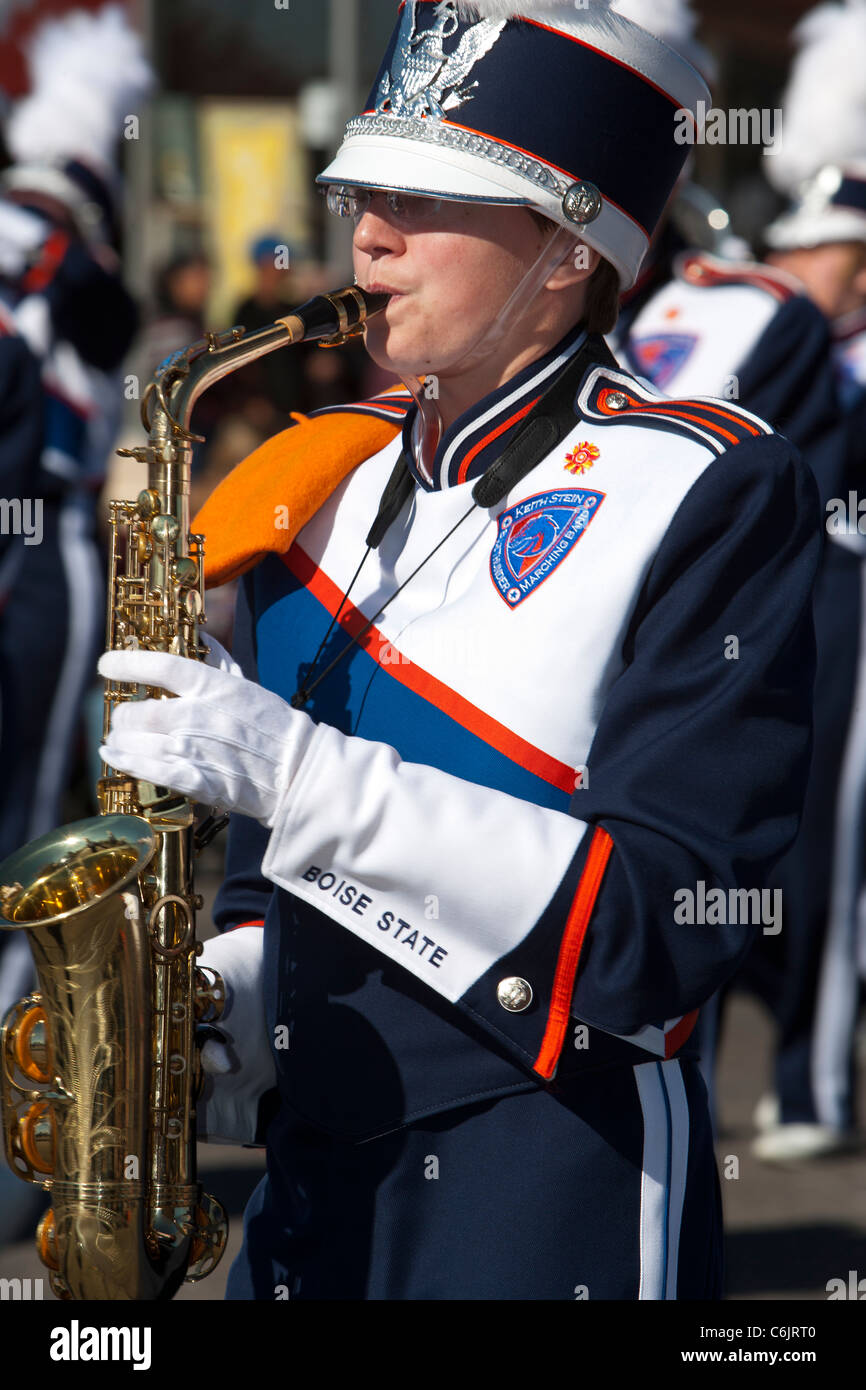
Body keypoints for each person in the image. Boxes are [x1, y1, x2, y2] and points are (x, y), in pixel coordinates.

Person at [100, 0, 820, 1300]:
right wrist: (236, 988)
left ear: (564, 247)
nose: (367, 231)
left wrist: (308, 775)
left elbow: (656, 939)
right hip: (310, 1166)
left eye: (426, 199)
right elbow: (279, 868)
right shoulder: (314, 480)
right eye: (364, 189)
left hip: (547, 1168)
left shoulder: (710, 486)